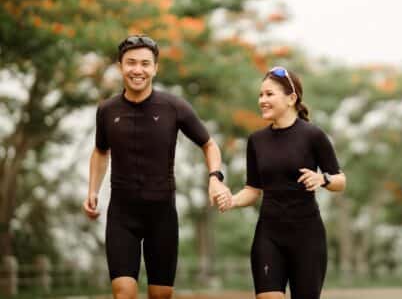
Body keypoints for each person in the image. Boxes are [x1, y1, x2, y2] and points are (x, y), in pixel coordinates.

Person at [82, 35, 231, 299]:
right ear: (120, 66)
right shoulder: (107, 110)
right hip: (122, 215)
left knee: (160, 295)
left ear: (155, 68)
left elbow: (209, 144)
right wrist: (92, 190)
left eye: (144, 64)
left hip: (161, 216)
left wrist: (215, 177)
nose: (137, 70)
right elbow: (100, 151)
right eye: (131, 63)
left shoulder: (174, 107)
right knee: (123, 292)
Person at [218, 66, 346, 299]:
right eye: (261, 95)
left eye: (269, 94)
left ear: (291, 98)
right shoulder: (257, 141)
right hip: (269, 235)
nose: (262, 100)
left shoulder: (312, 135)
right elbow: (252, 189)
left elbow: (340, 181)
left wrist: (323, 179)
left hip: (307, 237)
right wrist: (232, 200)